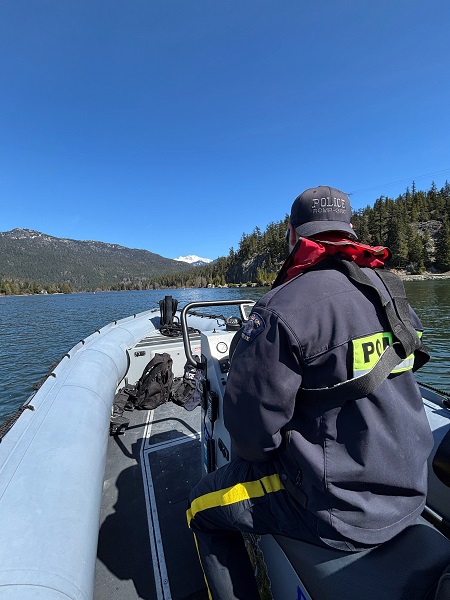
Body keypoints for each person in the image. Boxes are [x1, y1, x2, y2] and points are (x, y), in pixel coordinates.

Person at [186, 185, 433, 600]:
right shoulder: (392, 294)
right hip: (409, 489)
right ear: (350, 231)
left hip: (335, 509)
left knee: (199, 508)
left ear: (292, 234)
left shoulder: (280, 309)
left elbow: (251, 439)